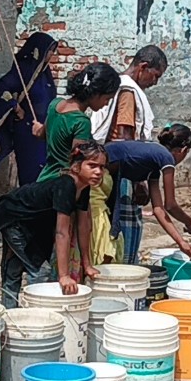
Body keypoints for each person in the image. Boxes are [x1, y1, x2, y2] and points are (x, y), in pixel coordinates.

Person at [0, 141, 107, 308]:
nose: (98, 172)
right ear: (76, 167)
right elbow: (61, 232)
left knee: (16, 266)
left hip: (31, 223)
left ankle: (10, 312)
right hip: (13, 216)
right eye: (92, 165)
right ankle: (37, 315)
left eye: (102, 167)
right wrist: (64, 275)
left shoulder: (83, 188)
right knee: (40, 271)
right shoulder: (66, 185)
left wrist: (87, 264)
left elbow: (83, 227)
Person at [34, 62, 120, 281]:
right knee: (66, 236)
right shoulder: (81, 121)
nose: (106, 103)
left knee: (46, 242)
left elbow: (42, 133)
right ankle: (67, 278)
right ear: (96, 93)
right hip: (66, 186)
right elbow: (79, 160)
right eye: (107, 99)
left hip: (44, 180)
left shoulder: (55, 105)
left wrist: (38, 129)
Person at [91, 46, 168, 263]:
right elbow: (125, 139)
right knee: (123, 228)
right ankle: (123, 269)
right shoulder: (128, 92)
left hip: (108, 164)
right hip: (122, 170)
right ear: (143, 67)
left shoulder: (116, 86)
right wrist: (138, 181)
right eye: (155, 75)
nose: (155, 82)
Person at [103, 125, 191, 260]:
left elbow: (158, 210)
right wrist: (190, 223)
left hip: (103, 172)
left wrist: (181, 242)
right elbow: (170, 205)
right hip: (99, 174)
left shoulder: (154, 161)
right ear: (183, 150)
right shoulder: (166, 158)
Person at [0, 32, 58, 186]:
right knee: (31, 172)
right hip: (28, 131)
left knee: (45, 172)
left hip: (45, 130)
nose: (51, 55)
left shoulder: (44, 74)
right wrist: (15, 106)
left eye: (53, 51)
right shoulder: (23, 70)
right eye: (49, 51)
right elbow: (1, 87)